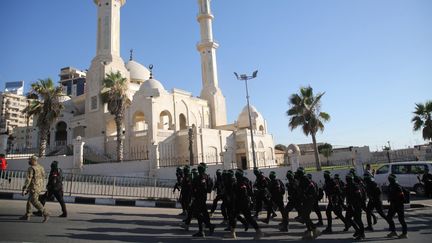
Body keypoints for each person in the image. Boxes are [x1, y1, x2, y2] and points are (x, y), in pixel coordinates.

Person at [226, 169, 263, 239]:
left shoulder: (240, 182)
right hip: (241, 202)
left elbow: (243, 192)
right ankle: (232, 233)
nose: (236, 175)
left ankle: (259, 232)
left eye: (236, 174)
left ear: (238, 175)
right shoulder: (244, 180)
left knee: (248, 218)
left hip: (242, 203)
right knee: (233, 217)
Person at [19, 155, 49, 222]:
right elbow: (44, 176)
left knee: (34, 201)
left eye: (30, 160)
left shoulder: (31, 168)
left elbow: (28, 179)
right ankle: (28, 214)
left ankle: (45, 213)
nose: (29, 161)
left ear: (33, 160)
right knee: (30, 200)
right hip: (39, 186)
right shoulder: (41, 167)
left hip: (34, 187)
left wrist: (24, 188)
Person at [296, 167, 320, 240]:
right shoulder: (303, 179)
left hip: (308, 201)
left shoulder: (304, 179)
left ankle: (314, 230)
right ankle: (310, 232)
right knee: (305, 217)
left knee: (305, 216)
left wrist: (307, 196)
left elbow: (311, 189)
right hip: (307, 201)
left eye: (298, 173)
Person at [387, 174, 408, 239]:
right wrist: (389, 199)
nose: (389, 180)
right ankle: (393, 231)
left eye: (390, 179)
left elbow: (401, 196)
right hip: (393, 204)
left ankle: (404, 234)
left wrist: (396, 201)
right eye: (389, 178)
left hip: (399, 205)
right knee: (389, 217)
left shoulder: (397, 186)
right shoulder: (390, 185)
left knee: (401, 219)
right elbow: (390, 193)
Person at [344, 173, 365, 240]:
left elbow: (359, 196)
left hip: (356, 205)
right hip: (350, 205)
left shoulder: (355, 186)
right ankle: (357, 230)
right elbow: (346, 194)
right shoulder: (347, 186)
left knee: (358, 220)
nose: (347, 180)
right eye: (346, 179)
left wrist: (356, 204)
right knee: (347, 218)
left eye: (348, 179)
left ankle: (362, 234)